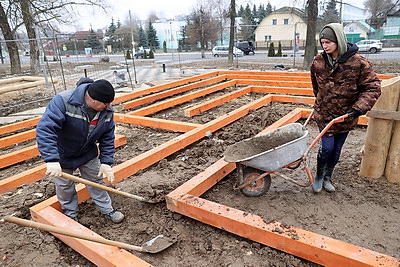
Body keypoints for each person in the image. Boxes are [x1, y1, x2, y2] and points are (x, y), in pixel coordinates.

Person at [36, 78, 124, 223]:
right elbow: (45, 130)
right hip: (62, 154)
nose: (109, 106)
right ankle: (71, 215)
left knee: (96, 181)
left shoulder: (106, 111)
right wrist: (51, 159)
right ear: (94, 100)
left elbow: (108, 137)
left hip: (87, 153)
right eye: (106, 103)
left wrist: (106, 162)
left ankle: (107, 210)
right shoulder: (63, 101)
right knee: (65, 188)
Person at [310, 23, 381, 193]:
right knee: (326, 148)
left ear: (339, 41)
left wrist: (358, 108)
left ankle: (328, 177)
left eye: (328, 42)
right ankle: (319, 176)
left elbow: (373, 87)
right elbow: (316, 86)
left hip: (346, 116)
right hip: (325, 115)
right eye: (322, 42)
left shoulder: (359, 63)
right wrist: (321, 102)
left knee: (336, 150)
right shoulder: (318, 61)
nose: (324, 45)